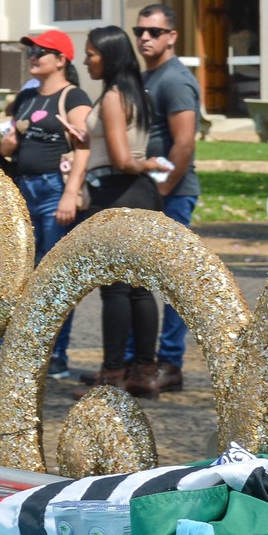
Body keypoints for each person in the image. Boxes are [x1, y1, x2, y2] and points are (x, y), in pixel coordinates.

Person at [0, 29, 88, 379]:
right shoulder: (27, 98)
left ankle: (56, 355)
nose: (33, 57)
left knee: (54, 277)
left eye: (41, 52)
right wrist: (9, 144)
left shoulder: (73, 98)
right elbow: (6, 148)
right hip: (24, 191)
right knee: (18, 274)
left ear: (61, 59)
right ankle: (10, 351)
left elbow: (83, 148)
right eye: (31, 52)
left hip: (52, 193)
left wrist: (69, 193)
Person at [78, 25, 168, 398]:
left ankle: (112, 374)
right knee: (140, 290)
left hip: (119, 192)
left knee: (116, 290)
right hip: (137, 195)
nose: (86, 60)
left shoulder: (114, 97)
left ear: (110, 56)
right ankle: (144, 371)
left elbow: (120, 158)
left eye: (92, 54)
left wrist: (145, 164)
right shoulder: (136, 93)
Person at [131, 3, 200, 393]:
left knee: (174, 282)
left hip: (171, 194)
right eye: (140, 30)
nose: (144, 37)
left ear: (171, 36)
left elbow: (184, 143)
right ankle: (139, 362)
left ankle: (170, 362)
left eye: (154, 32)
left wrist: (161, 190)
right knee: (139, 281)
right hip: (152, 191)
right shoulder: (150, 75)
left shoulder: (174, 80)